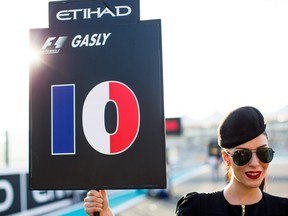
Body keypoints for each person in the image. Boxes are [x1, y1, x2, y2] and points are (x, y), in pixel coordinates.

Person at [84, 106, 288, 216]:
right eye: (243, 155)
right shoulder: (196, 209)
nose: (255, 163)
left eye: (263, 153)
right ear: (226, 158)